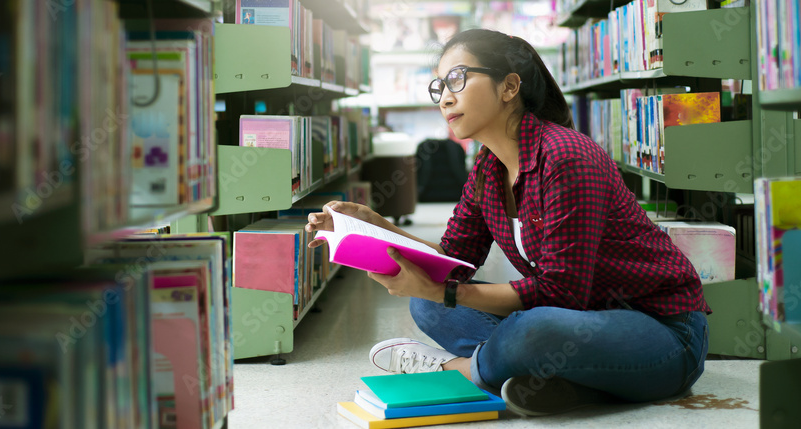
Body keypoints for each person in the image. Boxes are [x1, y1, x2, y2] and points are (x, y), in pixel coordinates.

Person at [304, 28, 710, 417]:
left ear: (509, 87)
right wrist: (374, 225)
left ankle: (459, 370)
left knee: (532, 328)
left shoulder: (566, 157)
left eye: (457, 79)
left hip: (662, 332)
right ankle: (548, 380)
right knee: (427, 306)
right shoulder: (487, 168)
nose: (444, 99)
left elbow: (562, 293)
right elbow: (451, 261)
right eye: (440, 87)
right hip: (576, 320)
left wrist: (448, 293)